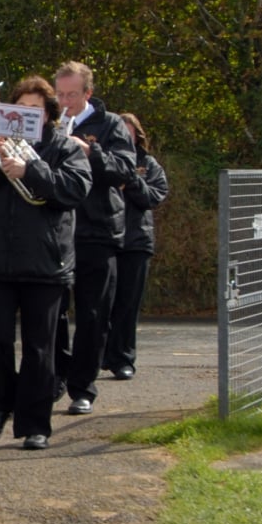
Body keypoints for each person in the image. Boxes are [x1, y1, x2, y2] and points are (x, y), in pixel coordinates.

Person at [0, 77, 91, 449]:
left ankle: (35, 425)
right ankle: (5, 400)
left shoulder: (64, 147)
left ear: (47, 115)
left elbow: (75, 190)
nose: (25, 116)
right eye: (19, 109)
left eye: (34, 111)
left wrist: (30, 169)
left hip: (46, 264)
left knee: (39, 348)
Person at [51, 62, 137, 417]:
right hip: (55, 232)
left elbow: (125, 170)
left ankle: (83, 387)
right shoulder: (49, 124)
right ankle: (54, 376)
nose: (65, 101)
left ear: (87, 94)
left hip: (97, 231)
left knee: (92, 314)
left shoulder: (111, 124)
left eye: (72, 94)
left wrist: (88, 150)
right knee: (51, 313)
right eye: (59, 94)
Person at [101, 111, 170, 381]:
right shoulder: (103, 162)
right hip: (105, 239)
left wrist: (130, 181)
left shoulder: (148, 164)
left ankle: (123, 359)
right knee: (100, 304)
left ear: (137, 135)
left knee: (128, 305)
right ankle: (97, 357)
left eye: (129, 132)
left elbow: (154, 196)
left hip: (136, 242)